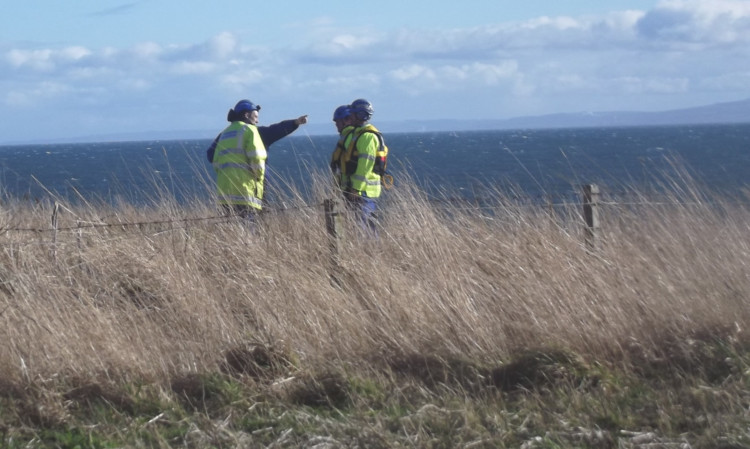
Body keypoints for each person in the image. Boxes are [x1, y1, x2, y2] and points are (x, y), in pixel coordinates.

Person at [338, 98, 388, 235]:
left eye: (352, 114)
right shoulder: (357, 134)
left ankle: (369, 253)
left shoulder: (367, 137)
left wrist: (356, 189)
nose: (350, 116)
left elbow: (365, 165)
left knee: (363, 229)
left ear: (359, 115)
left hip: (363, 192)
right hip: (359, 192)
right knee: (363, 227)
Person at [329, 105, 355, 188]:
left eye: (338, 121)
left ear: (347, 120)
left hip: (351, 189)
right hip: (345, 188)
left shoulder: (351, 137)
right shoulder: (346, 136)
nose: (336, 124)